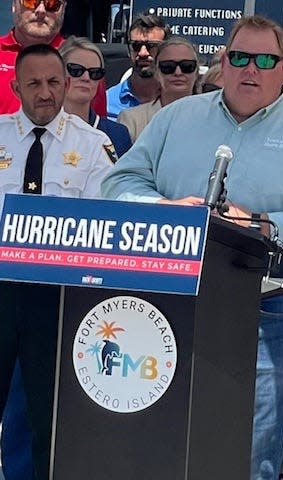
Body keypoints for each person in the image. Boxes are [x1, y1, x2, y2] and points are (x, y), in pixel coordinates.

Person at [100, 15, 283, 479]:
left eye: (264, 60)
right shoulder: (177, 117)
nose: (249, 69)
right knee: (165, 435)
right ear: (222, 61)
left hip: (270, 310)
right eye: (239, 57)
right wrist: (163, 206)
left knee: (251, 450)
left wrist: (260, 224)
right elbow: (118, 183)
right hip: (173, 302)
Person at [0, 43, 115, 480]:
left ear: (67, 84)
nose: (45, 93)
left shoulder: (93, 146)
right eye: (33, 84)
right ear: (16, 87)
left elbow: (103, 222)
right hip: (1, 288)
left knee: (46, 414)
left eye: (53, 82)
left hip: (57, 297)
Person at [60, 36, 132, 156]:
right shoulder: (41, 128)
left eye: (95, 73)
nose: (86, 78)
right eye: (76, 70)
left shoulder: (117, 134)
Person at [118, 36, 199, 141]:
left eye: (187, 66)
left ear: (197, 72)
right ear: (156, 72)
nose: (178, 73)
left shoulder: (212, 119)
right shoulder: (132, 120)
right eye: (168, 67)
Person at [0, 0, 66, 114]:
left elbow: (96, 124)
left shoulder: (82, 63)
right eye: (30, 2)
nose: (41, 10)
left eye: (52, 4)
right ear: (14, 5)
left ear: (63, 10)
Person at [106, 13, 171, 120]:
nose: (143, 53)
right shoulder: (107, 102)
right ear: (128, 50)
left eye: (151, 46)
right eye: (136, 46)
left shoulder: (176, 102)